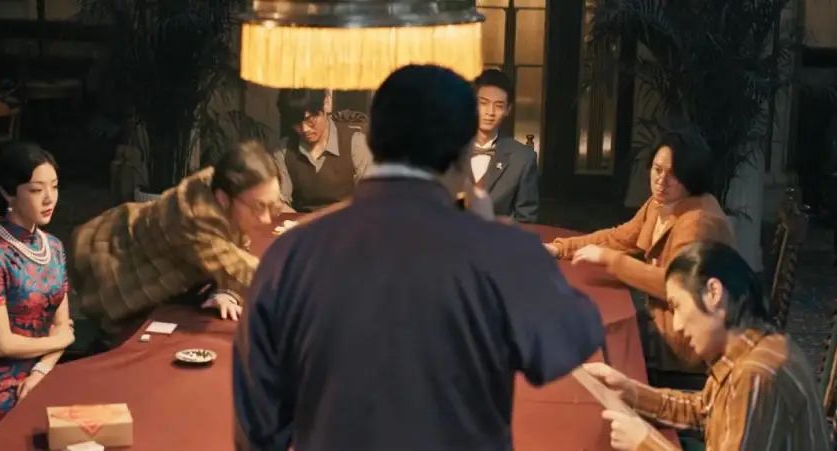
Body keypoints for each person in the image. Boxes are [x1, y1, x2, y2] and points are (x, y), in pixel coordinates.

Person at [234, 65, 605, 451]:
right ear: (465, 149)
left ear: (371, 139)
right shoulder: (501, 250)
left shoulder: (291, 253)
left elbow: (258, 425)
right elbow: (571, 338)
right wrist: (496, 235)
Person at [584, 241, 829, 450]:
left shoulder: (754, 374)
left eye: (677, 306)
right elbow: (706, 411)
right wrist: (631, 392)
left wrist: (645, 443)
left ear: (713, 292)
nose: (677, 325)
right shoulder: (753, 344)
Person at [545, 133, 734, 373]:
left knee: (592, 332)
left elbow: (677, 285)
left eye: (673, 174)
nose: (661, 181)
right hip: (661, 315)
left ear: (692, 177)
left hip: (687, 337)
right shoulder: (659, 204)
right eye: (657, 169)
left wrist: (610, 259)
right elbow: (620, 237)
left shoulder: (697, 221)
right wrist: (560, 248)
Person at [72, 141, 279, 345]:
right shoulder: (194, 220)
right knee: (124, 346)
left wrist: (224, 290)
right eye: (259, 207)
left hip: (142, 253)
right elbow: (244, 272)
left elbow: (232, 255)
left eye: (271, 206)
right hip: (115, 266)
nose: (267, 219)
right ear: (223, 199)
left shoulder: (220, 185)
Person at [0, 143, 74, 433]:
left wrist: (41, 370)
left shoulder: (54, 247)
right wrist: (62, 340)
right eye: (36, 190)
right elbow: (3, 344)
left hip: (40, 373)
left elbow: (62, 326)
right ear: (8, 193)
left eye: (54, 187)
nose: (49, 198)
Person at [273, 89, 373, 212]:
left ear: (326, 104)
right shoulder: (284, 150)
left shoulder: (356, 143)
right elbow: (280, 202)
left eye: (310, 120)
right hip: (302, 220)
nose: (304, 129)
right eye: (296, 123)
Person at [470, 69, 539, 222]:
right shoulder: (447, 149)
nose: (490, 112)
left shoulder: (522, 159)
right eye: (483, 103)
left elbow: (526, 221)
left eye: (499, 106)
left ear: (508, 110)